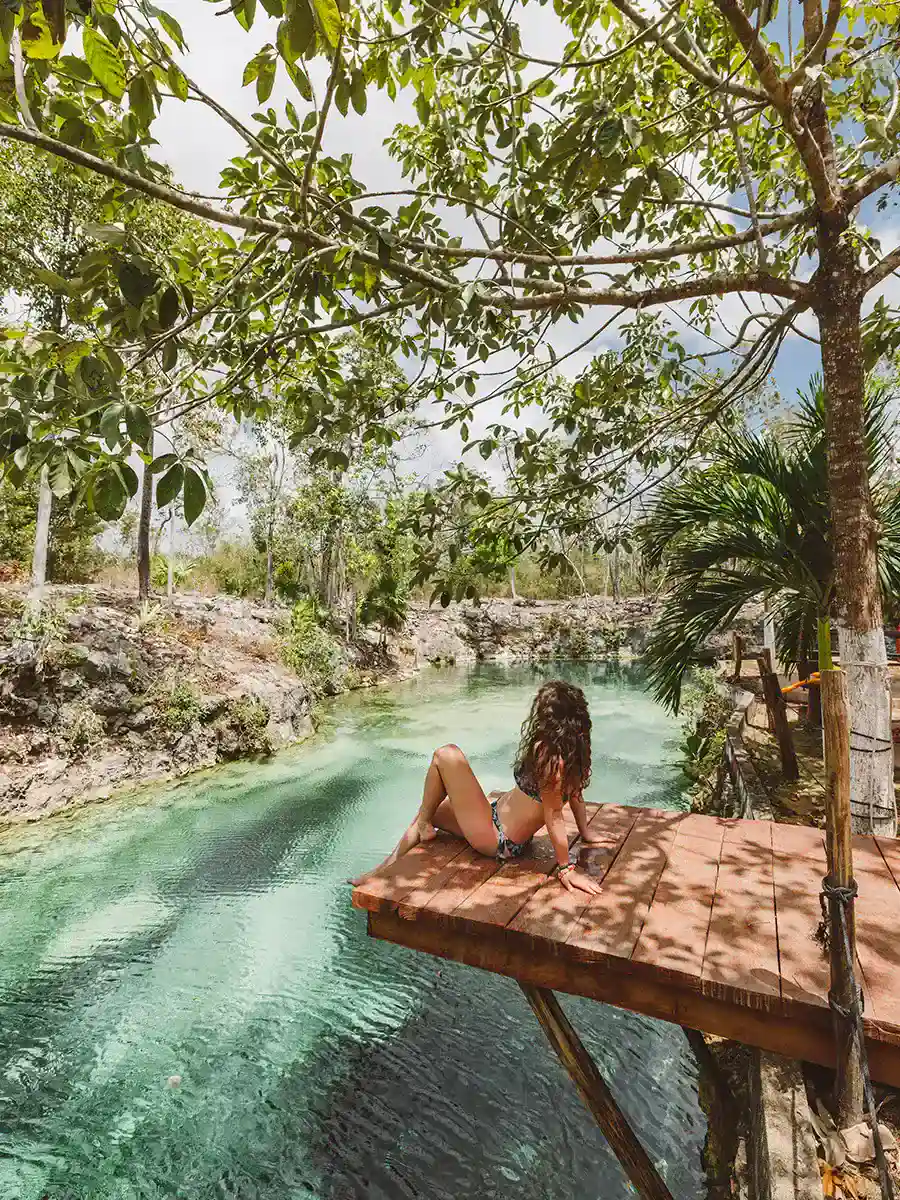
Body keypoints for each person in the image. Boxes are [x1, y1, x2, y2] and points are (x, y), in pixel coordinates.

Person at [352, 680, 604, 894]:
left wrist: (565, 869)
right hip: (497, 823)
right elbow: (576, 795)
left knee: (446, 755)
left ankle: (387, 864)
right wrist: (586, 832)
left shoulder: (548, 756)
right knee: (428, 810)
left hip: (496, 837)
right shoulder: (572, 750)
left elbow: (554, 815)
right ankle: (382, 870)